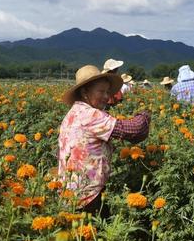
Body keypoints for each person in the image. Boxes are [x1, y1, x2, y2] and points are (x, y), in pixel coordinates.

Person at [58, 65, 151, 218]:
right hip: (87, 194)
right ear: (84, 92)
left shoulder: (74, 113)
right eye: (101, 91)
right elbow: (135, 130)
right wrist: (145, 115)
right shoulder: (90, 115)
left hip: (71, 190)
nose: (107, 96)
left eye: (108, 92)